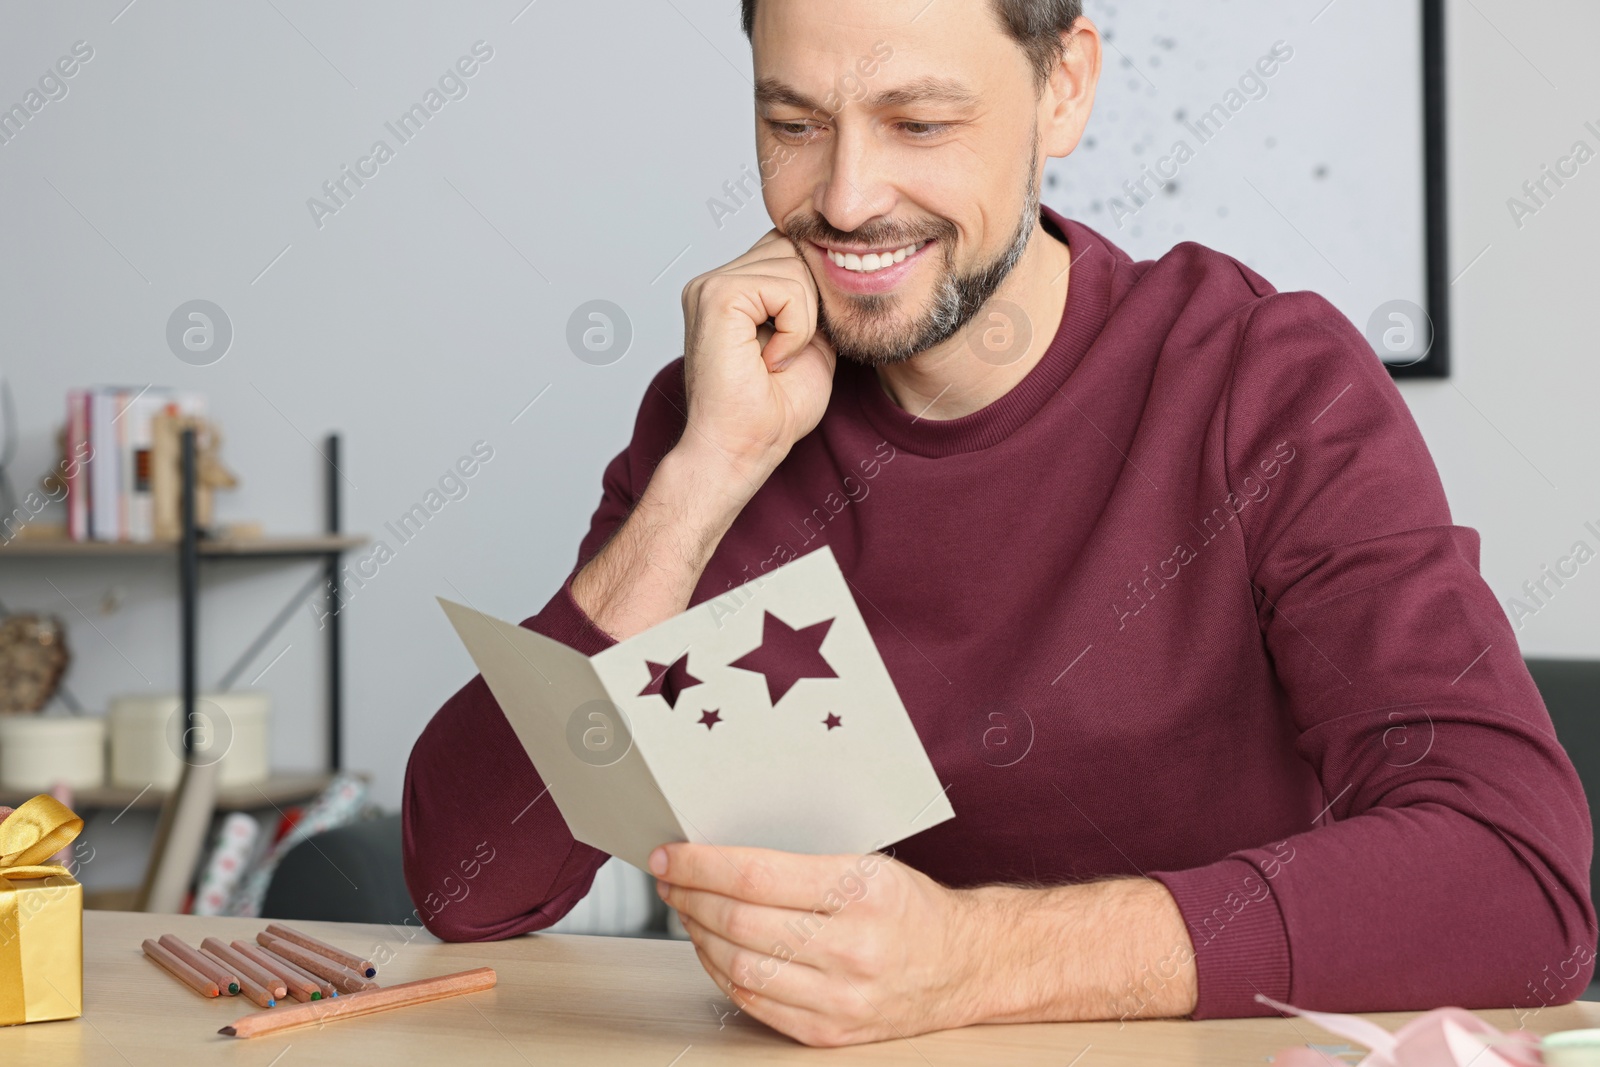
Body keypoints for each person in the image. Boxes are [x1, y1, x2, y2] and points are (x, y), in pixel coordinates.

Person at [403, 0, 1596, 1047]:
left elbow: (1521, 886)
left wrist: (975, 960)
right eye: (792, 123)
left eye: (919, 123)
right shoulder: (727, 404)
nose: (846, 197)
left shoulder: (1264, 381)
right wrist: (702, 474)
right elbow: (469, 883)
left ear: (1062, 85)